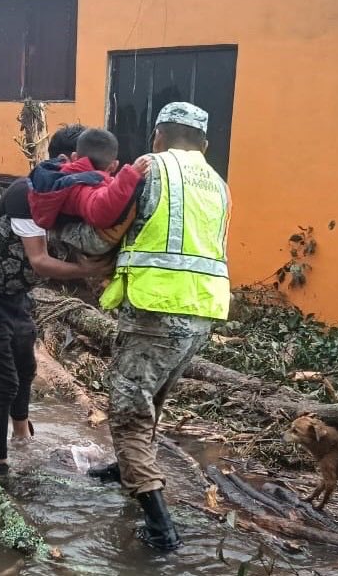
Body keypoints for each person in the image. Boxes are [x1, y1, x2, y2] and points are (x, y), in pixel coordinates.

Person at [89, 102, 231, 553]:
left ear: (157, 136)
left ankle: (160, 526)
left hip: (156, 306)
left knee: (129, 411)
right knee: (154, 397)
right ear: (204, 145)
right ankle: (125, 467)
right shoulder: (220, 184)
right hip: (204, 311)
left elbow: (107, 222)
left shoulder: (151, 169)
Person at [0, 126, 111, 478]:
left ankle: (22, 436)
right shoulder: (26, 194)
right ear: (67, 161)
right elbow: (40, 261)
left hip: (15, 291)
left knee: (26, 367)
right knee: (4, 383)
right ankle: (0, 468)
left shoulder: (74, 198)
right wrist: (88, 269)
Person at [28, 128, 147, 230]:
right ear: (114, 166)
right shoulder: (83, 185)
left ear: (75, 157)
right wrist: (131, 175)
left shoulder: (59, 175)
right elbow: (101, 212)